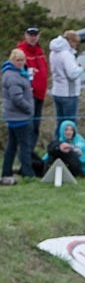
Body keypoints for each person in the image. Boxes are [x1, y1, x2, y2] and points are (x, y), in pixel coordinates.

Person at [1, 48, 35, 185]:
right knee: (24, 146)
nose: (21, 63)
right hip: (19, 117)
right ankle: (27, 172)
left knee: (12, 146)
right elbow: (17, 98)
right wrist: (29, 109)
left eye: (22, 60)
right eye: (18, 60)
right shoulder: (12, 76)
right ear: (12, 60)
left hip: (16, 116)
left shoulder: (18, 73)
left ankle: (7, 171)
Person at [17, 27, 48, 150]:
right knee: (28, 127)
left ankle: (30, 154)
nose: (33, 37)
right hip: (29, 95)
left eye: (35, 35)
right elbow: (19, 72)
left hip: (40, 94)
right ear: (25, 35)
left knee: (35, 127)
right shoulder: (21, 51)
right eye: (30, 35)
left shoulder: (39, 51)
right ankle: (25, 155)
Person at [49, 30, 83, 135]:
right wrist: (81, 69)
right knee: (70, 124)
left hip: (57, 91)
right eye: (74, 43)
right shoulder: (66, 54)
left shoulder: (53, 52)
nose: (75, 46)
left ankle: (57, 145)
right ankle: (69, 147)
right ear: (69, 41)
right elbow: (72, 74)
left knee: (60, 123)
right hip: (69, 93)